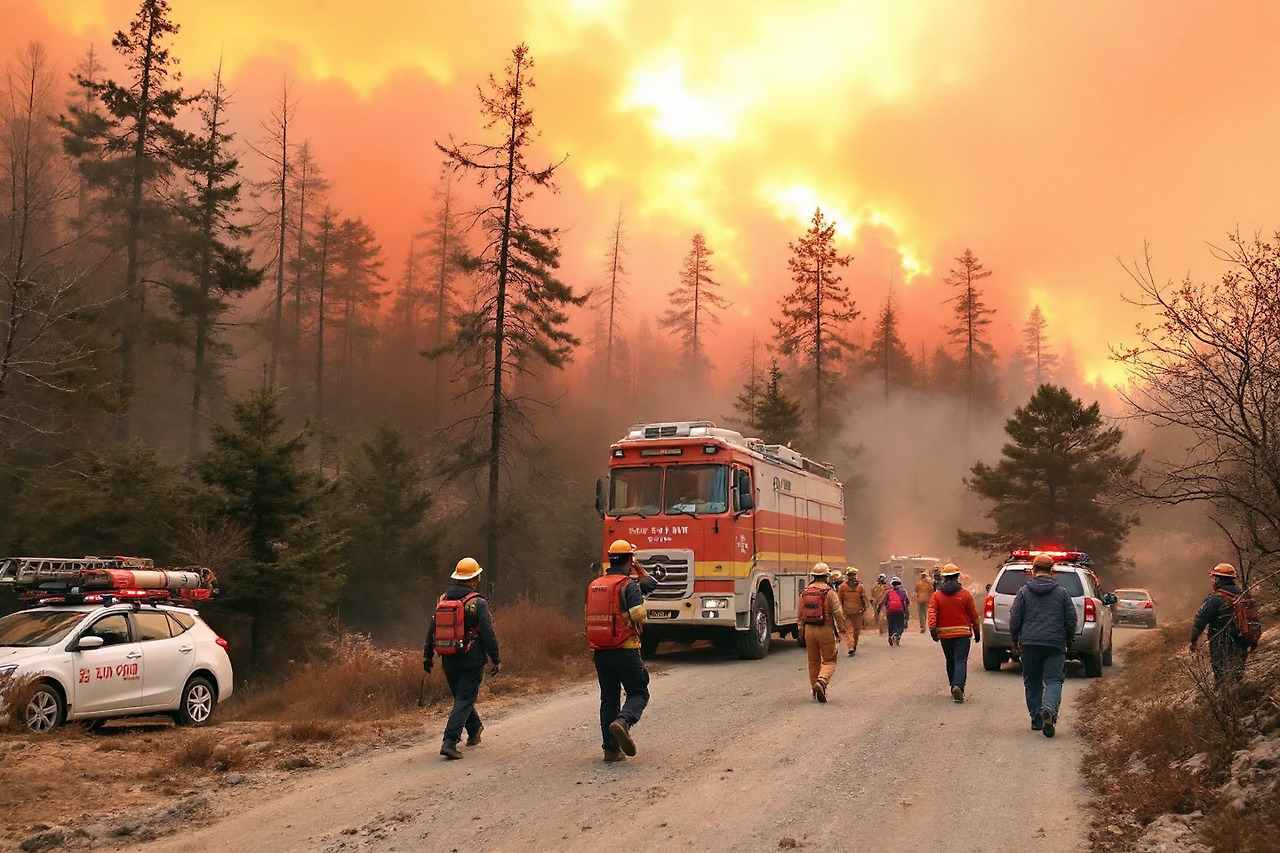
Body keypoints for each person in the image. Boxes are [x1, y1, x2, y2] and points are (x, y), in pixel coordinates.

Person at [587, 539, 658, 762]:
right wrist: (637, 611)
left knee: (609, 698)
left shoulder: (596, 584)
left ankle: (611, 750)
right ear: (629, 559)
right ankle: (623, 722)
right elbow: (637, 613)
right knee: (639, 692)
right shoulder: (628, 586)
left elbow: (649, 585)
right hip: (626, 649)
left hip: (601, 651)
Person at [424, 556, 501, 760]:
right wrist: (495, 658)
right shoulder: (478, 603)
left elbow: (432, 629)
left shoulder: (443, 600)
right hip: (472, 659)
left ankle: (474, 729)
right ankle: (450, 741)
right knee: (465, 698)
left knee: (462, 697)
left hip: (448, 658)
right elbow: (488, 633)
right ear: (475, 579)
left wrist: (427, 656)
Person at [1009, 553, 1077, 737]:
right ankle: (1049, 708)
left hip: (1030, 643)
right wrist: (1068, 640)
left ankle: (1037, 719)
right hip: (1055, 644)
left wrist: (1015, 640)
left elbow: (1015, 618)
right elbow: (1071, 619)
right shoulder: (1062, 593)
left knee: (1032, 681)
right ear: (1052, 570)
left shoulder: (1024, 592)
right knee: (1053, 680)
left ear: (1033, 569)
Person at [1190, 562, 1252, 687]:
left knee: (1221, 676)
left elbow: (1200, 621)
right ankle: (1238, 693)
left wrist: (1193, 640)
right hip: (1242, 642)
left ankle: (1223, 696)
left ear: (1218, 580)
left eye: (1214, 578)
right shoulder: (1244, 596)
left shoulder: (1214, 599)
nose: (1213, 581)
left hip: (1220, 643)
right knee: (1237, 674)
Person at [927, 563, 981, 702]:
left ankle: (953, 686)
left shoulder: (937, 595)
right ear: (957, 576)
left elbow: (932, 613)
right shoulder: (965, 595)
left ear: (944, 578)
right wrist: (977, 631)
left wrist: (933, 629)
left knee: (950, 660)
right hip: (963, 634)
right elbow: (973, 614)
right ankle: (958, 686)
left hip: (945, 635)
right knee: (960, 661)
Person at [798, 562, 847, 702]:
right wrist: (842, 628)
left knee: (813, 661)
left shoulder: (805, 592)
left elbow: (799, 615)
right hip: (825, 629)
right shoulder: (829, 592)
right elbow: (838, 613)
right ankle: (822, 681)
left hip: (809, 630)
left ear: (813, 576)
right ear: (826, 576)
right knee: (829, 660)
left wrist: (801, 631)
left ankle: (815, 688)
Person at [836, 566, 868, 656]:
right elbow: (864, 599)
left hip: (847, 612)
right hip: (858, 612)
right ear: (855, 575)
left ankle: (850, 646)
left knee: (849, 630)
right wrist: (865, 609)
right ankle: (854, 646)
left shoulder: (842, 587)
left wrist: (841, 610)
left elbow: (839, 599)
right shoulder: (860, 587)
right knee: (856, 631)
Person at [884, 576, 910, 646]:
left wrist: (886, 608)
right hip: (900, 611)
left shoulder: (888, 592)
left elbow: (885, 602)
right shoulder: (903, 592)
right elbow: (907, 602)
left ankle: (891, 636)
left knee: (891, 625)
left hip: (890, 611)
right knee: (901, 625)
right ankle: (897, 634)